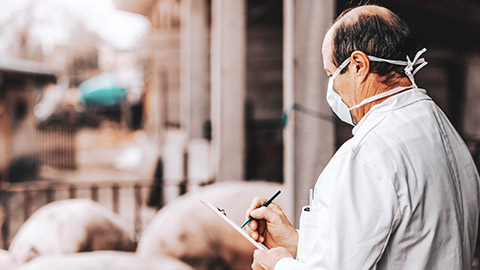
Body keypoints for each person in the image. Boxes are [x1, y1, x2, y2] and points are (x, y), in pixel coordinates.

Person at [246, 5, 480, 270]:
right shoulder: (443, 131)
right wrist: (295, 242)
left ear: (358, 66)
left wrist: (278, 263)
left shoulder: (368, 155)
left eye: (331, 74)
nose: (332, 88)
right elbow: (396, 246)